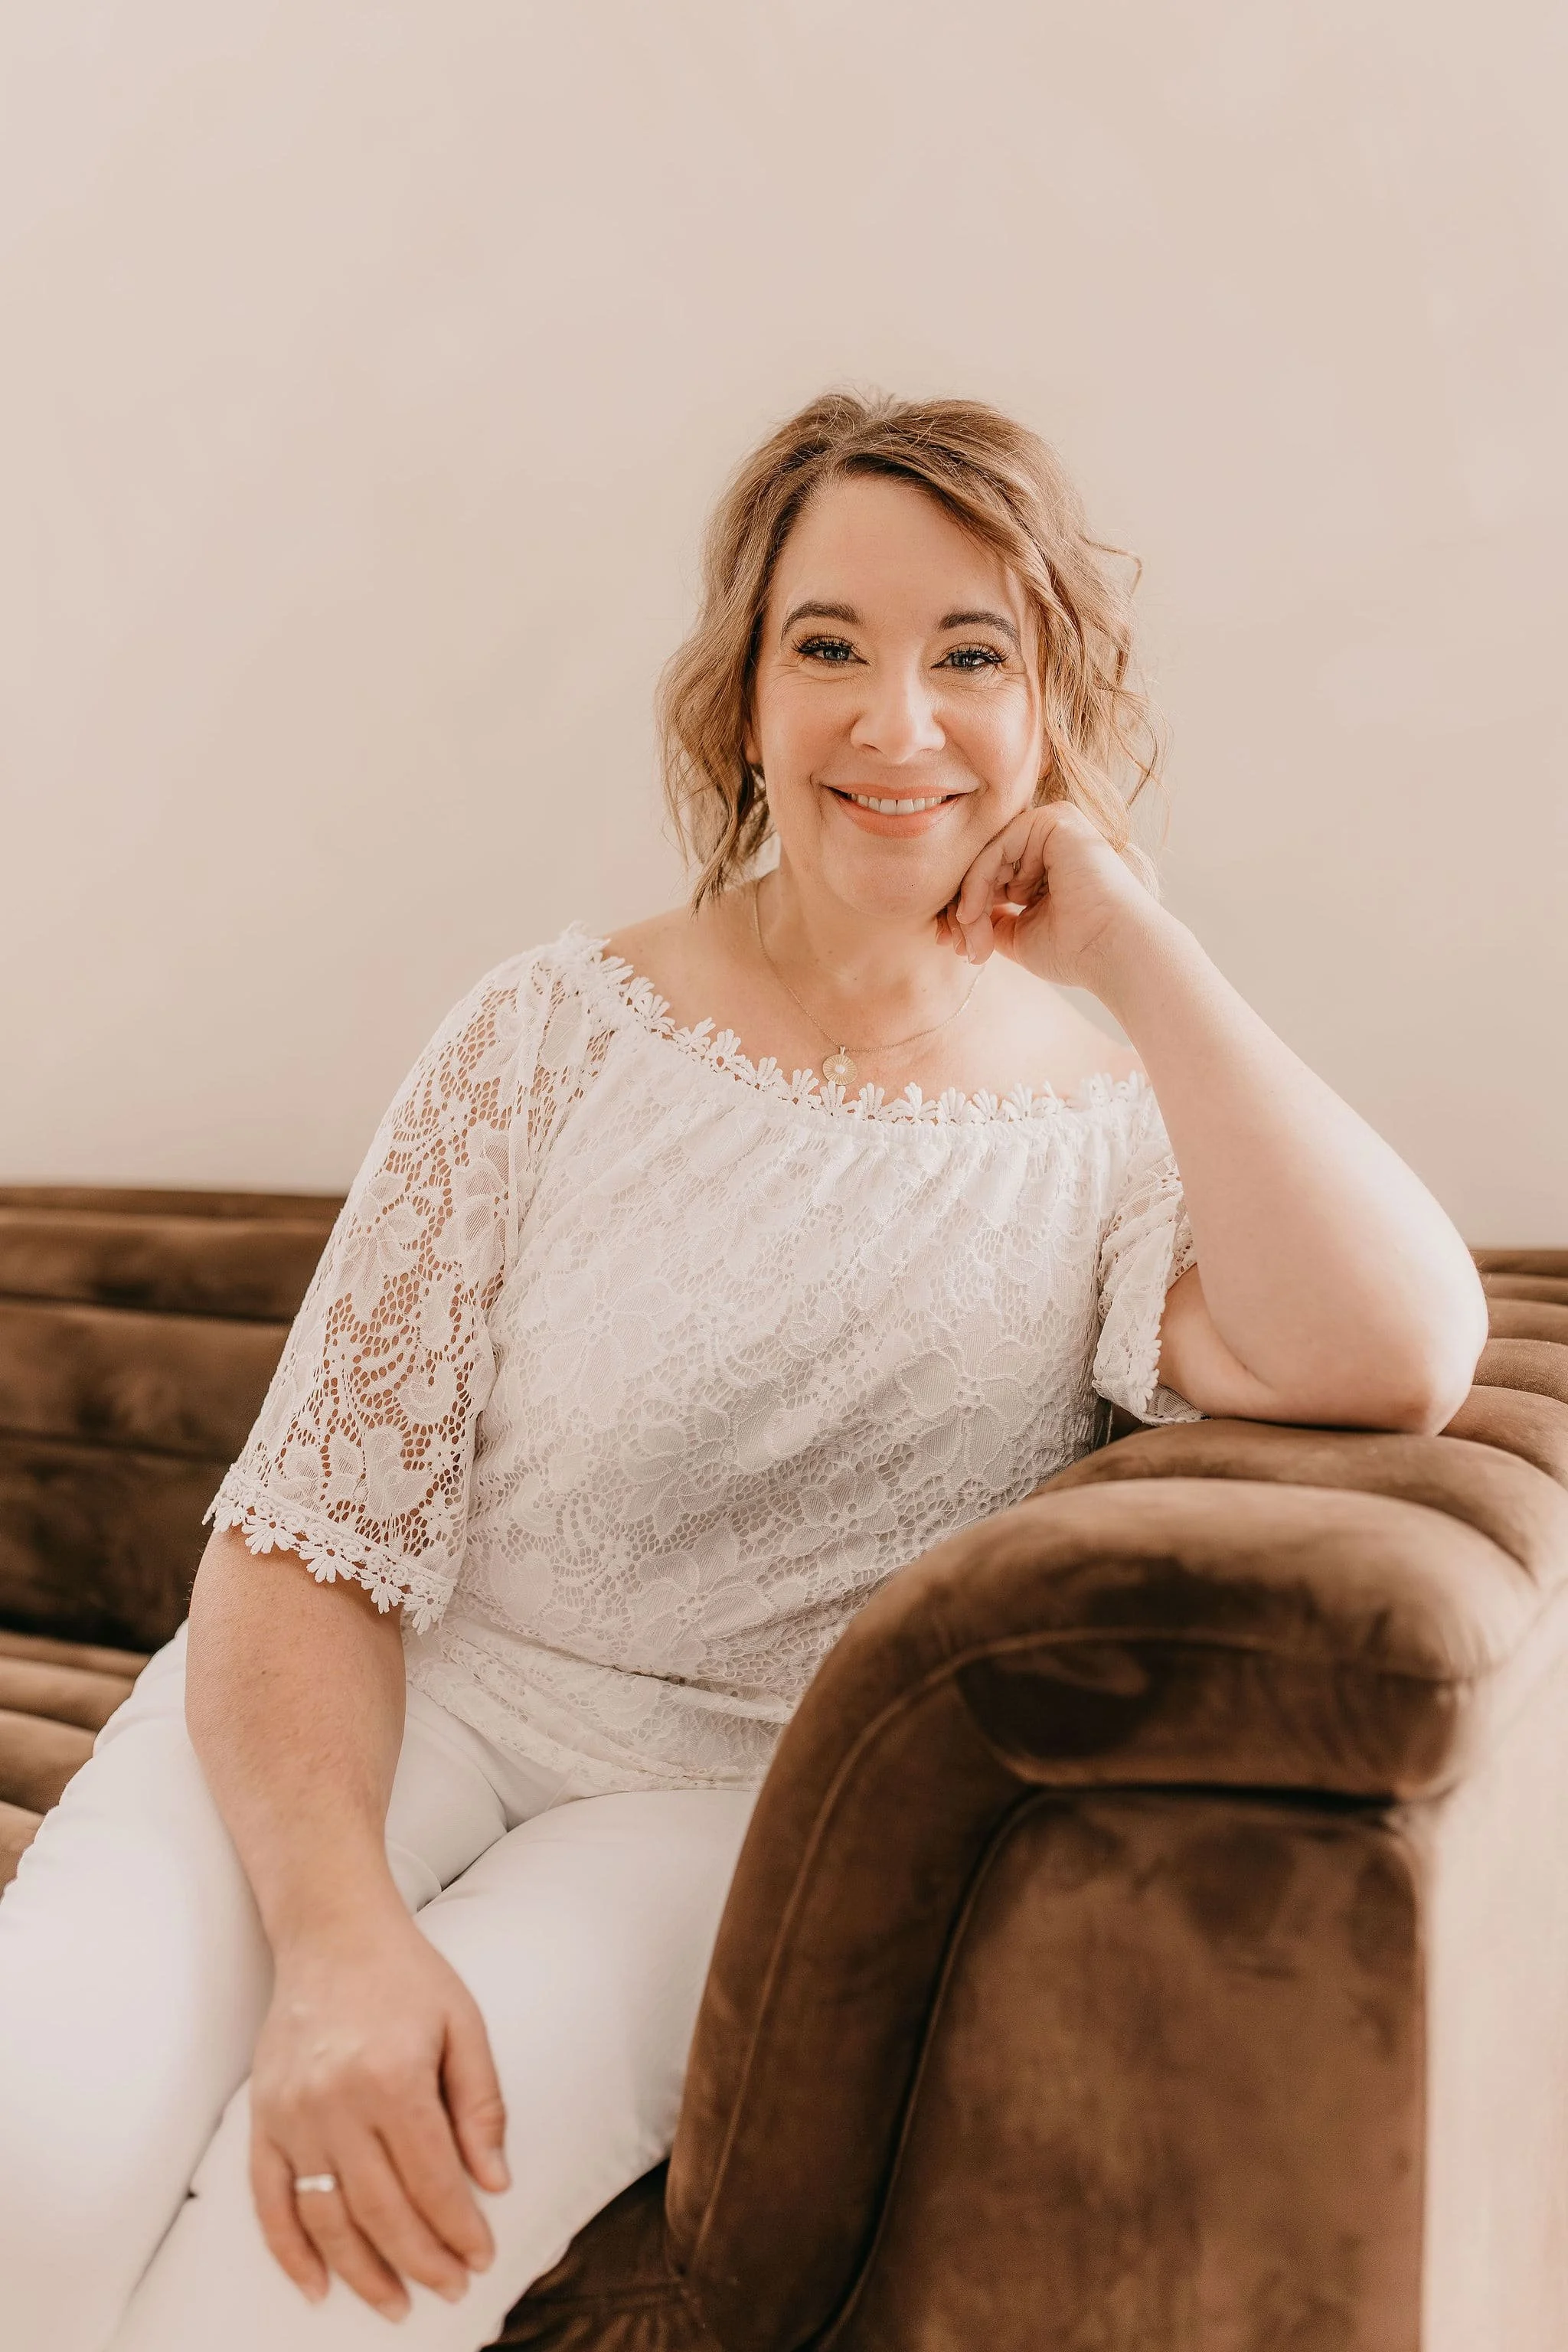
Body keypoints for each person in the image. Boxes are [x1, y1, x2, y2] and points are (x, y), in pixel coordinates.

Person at [0, 390, 1488, 2350]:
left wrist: (1128, 941)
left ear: (1052, 709)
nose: (898, 720)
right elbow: (305, 1551)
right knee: (32, 2157)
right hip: (393, 1696)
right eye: (828, 648)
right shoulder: (549, 1033)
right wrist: (338, 1940)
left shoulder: (1110, 1146)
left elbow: (1403, 1351)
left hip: (710, 1817)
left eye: (974, 655)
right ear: (742, 701)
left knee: (306, 2287)